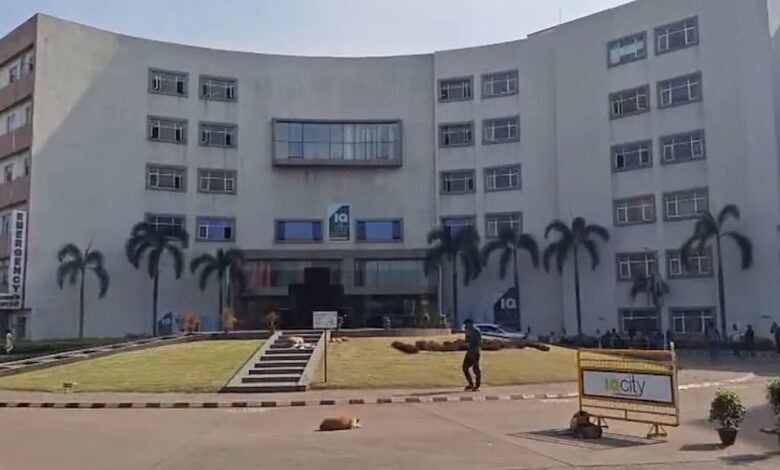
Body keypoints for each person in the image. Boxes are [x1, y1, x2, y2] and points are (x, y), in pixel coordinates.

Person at [462, 318, 482, 392]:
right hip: (469, 352)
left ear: (471, 323)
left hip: (475, 352)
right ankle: (471, 384)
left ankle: (477, 386)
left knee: (476, 369)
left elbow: (478, 343)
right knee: (465, 367)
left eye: (467, 324)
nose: (466, 325)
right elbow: (467, 341)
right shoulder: (468, 331)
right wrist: (467, 335)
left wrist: (474, 352)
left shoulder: (476, 331)